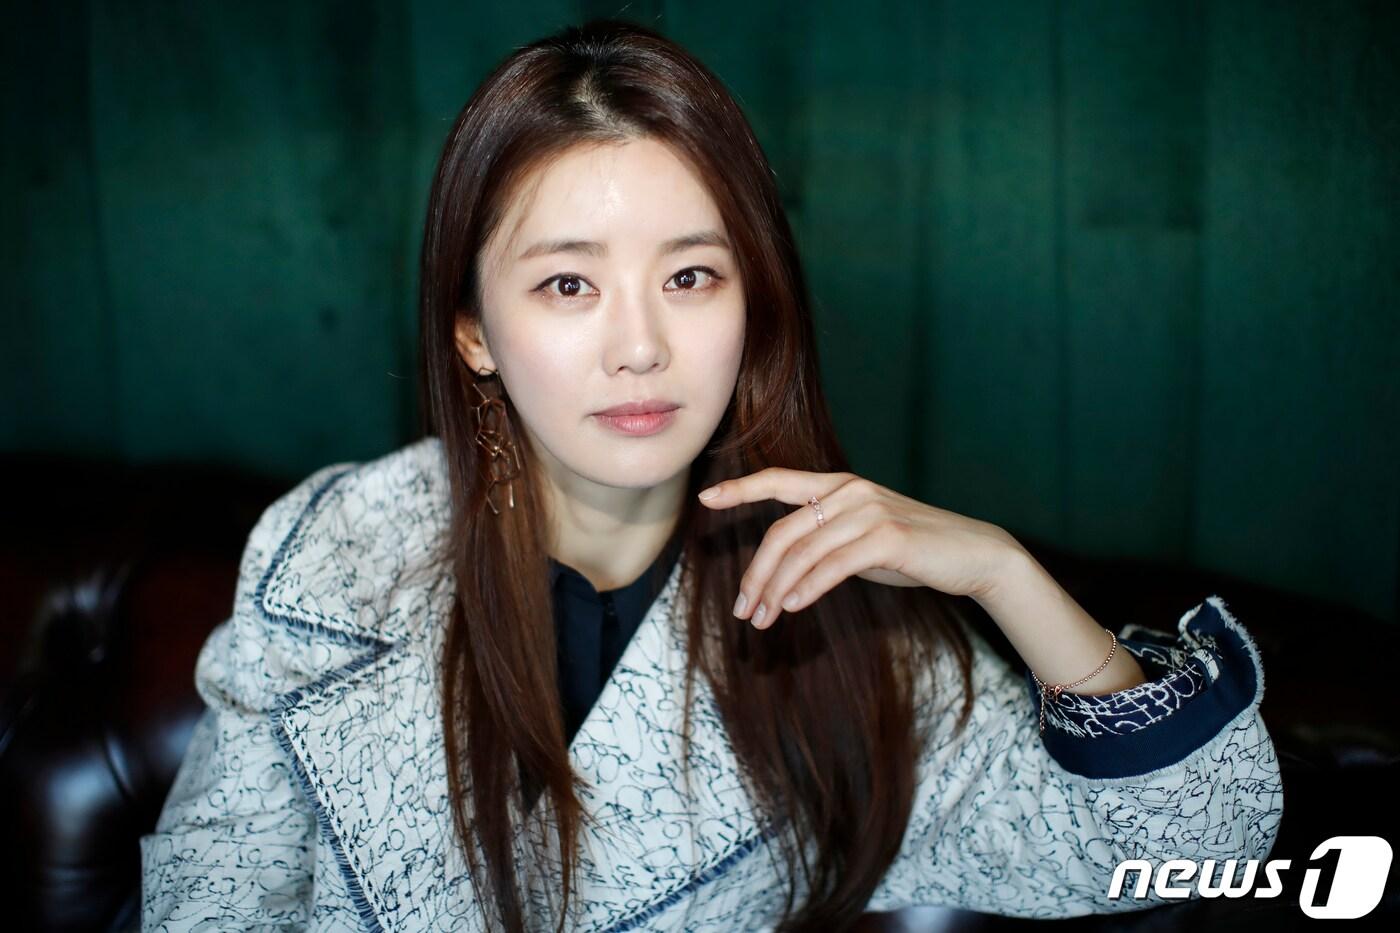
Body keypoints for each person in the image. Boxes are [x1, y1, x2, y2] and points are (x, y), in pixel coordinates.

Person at [140, 18, 1283, 933]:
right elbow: (208, 900)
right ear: (473, 332)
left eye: (689, 277)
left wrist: (1000, 572)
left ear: (754, 304)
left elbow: (1187, 847)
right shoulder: (330, 554)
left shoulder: (849, 640)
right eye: (568, 285)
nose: (640, 346)